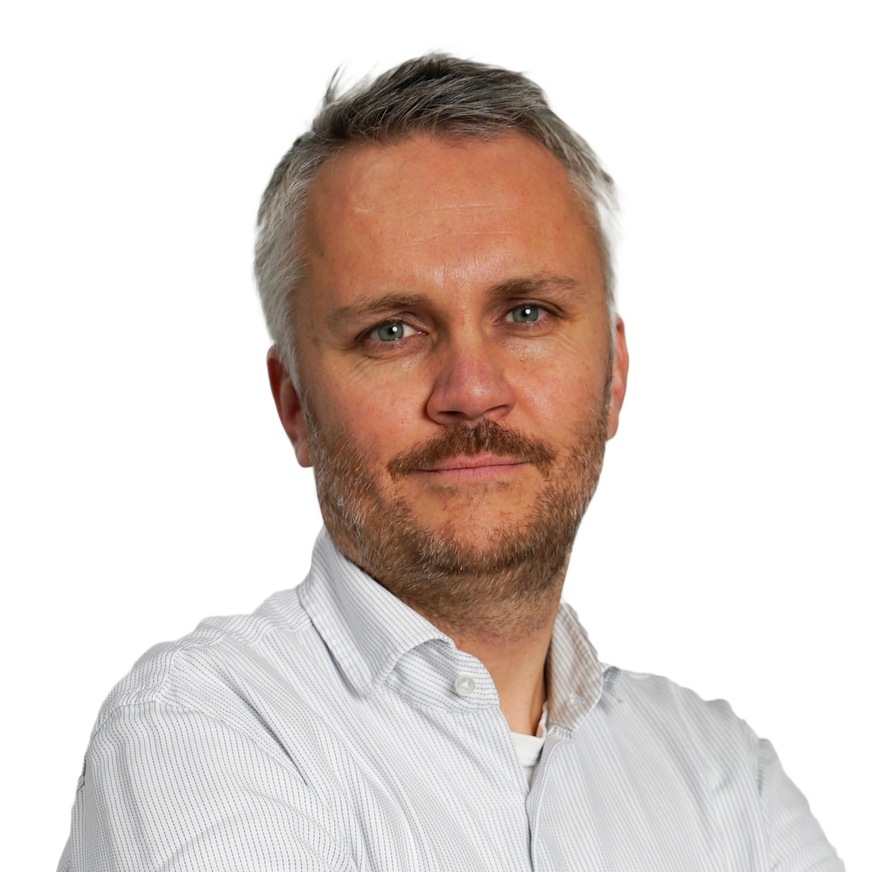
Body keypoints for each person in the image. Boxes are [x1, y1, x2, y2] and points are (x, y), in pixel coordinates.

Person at [58, 54, 843, 871]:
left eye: (527, 313)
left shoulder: (725, 777)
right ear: (294, 403)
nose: (471, 392)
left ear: (614, 377)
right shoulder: (199, 731)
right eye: (392, 331)